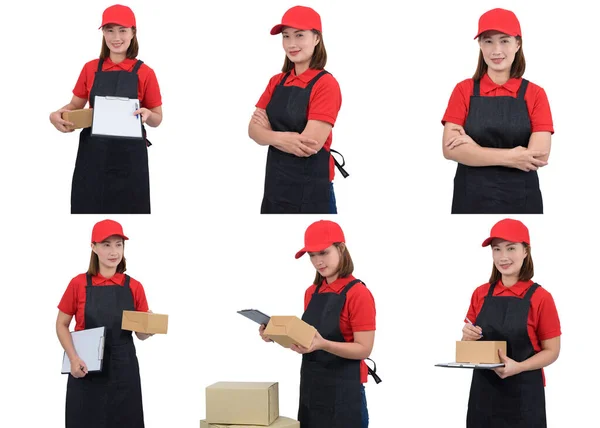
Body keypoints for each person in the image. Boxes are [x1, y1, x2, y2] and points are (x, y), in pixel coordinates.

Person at [259, 220, 378, 427]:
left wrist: (324, 345)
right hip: (311, 391)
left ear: (341, 249)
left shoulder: (359, 293)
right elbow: (308, 340)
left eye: (323, 252)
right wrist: (276, 336)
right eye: (312, 255)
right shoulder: (311, 292)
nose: (317, 261)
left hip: (344, 395)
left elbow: (364, 349)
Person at [49, 4, 163, 214]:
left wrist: (147, 115)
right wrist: (55, 115)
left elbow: (157, 118)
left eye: (122, 30)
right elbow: (75, 105)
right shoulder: (90, 68)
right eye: (109, 30)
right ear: (102, 33)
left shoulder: (146, 72)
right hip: (93, 157)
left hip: (130, 159)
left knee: (131, 209)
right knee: (88, 207)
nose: (116, 37)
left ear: (133, 32)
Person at [441, 8, 554, 214]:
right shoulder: (463, 90)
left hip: (522, 199)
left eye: (504, 40)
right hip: (470, 198)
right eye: (488, 41)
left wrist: (474, 149)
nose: (496, 50)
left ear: (518, 44)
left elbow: (538, 156)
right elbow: (450, 150)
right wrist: (512, 156)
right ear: (480, 45)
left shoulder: (535, 94)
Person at [462, 218, 561, 427]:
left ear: (526, 251)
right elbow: (467, 346)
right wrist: (466, 338)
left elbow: (552, 351)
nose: (503, 256)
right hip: (483, 396)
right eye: (496, 249)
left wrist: (519, 367)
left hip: (524, 397)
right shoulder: (480, 294)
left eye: (511, 248)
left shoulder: (541, 297)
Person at [249, 6, 347, 214]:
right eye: (286, 36)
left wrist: (268, 135)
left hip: (312, 193)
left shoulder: (326, 84)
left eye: (300, 35)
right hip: (274, 190)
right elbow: (252, 131)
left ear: (317, 38)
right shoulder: (276, 81)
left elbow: (309, 145)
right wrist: (287, 138)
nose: (291, 44)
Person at [56, 219, 154, 427]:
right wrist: (73, 359)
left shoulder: (134, 287)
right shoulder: (78, 284)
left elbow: (141, 335)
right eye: (106, 244)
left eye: (118, 244)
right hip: (85, 369)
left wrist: (149, 327)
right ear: (93, 247)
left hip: (123, 372)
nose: (113, 251)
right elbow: (61, 324)